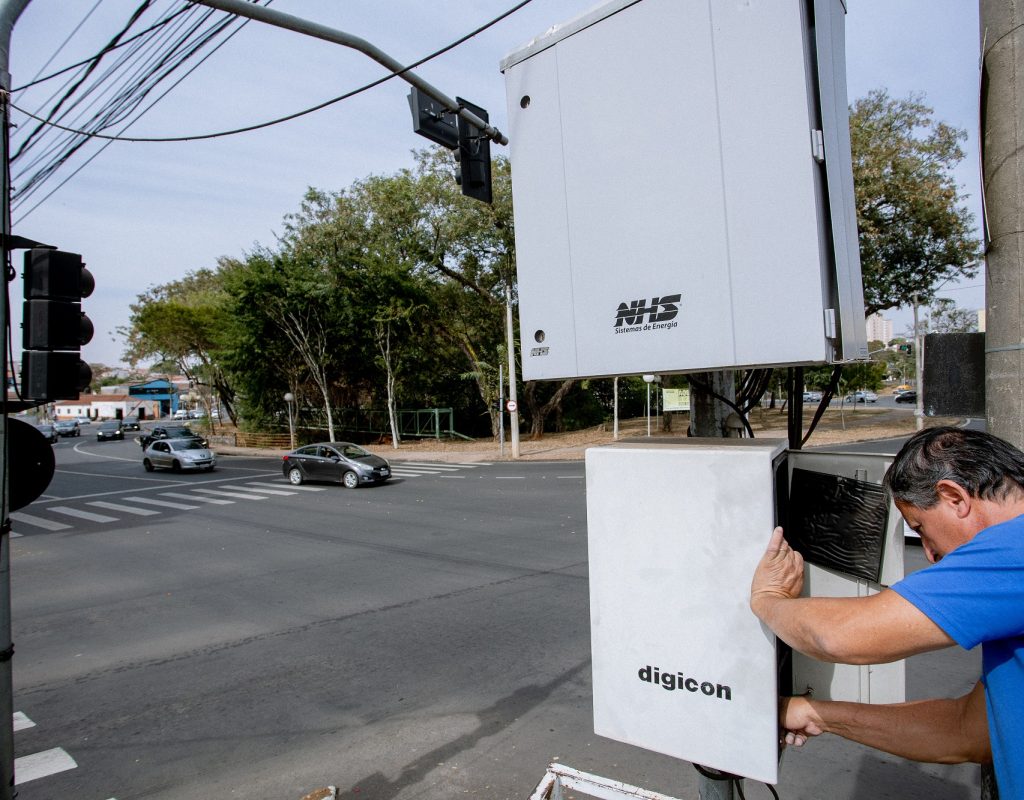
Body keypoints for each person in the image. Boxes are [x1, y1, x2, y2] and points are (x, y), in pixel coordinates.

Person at [750, 426, 1024, 797]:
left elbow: (840, 637)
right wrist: (816, 713)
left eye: (921, 529)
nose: (929, 554)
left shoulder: (1014, 548)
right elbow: (966, 733)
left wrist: (768, 598)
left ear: (954, 497)